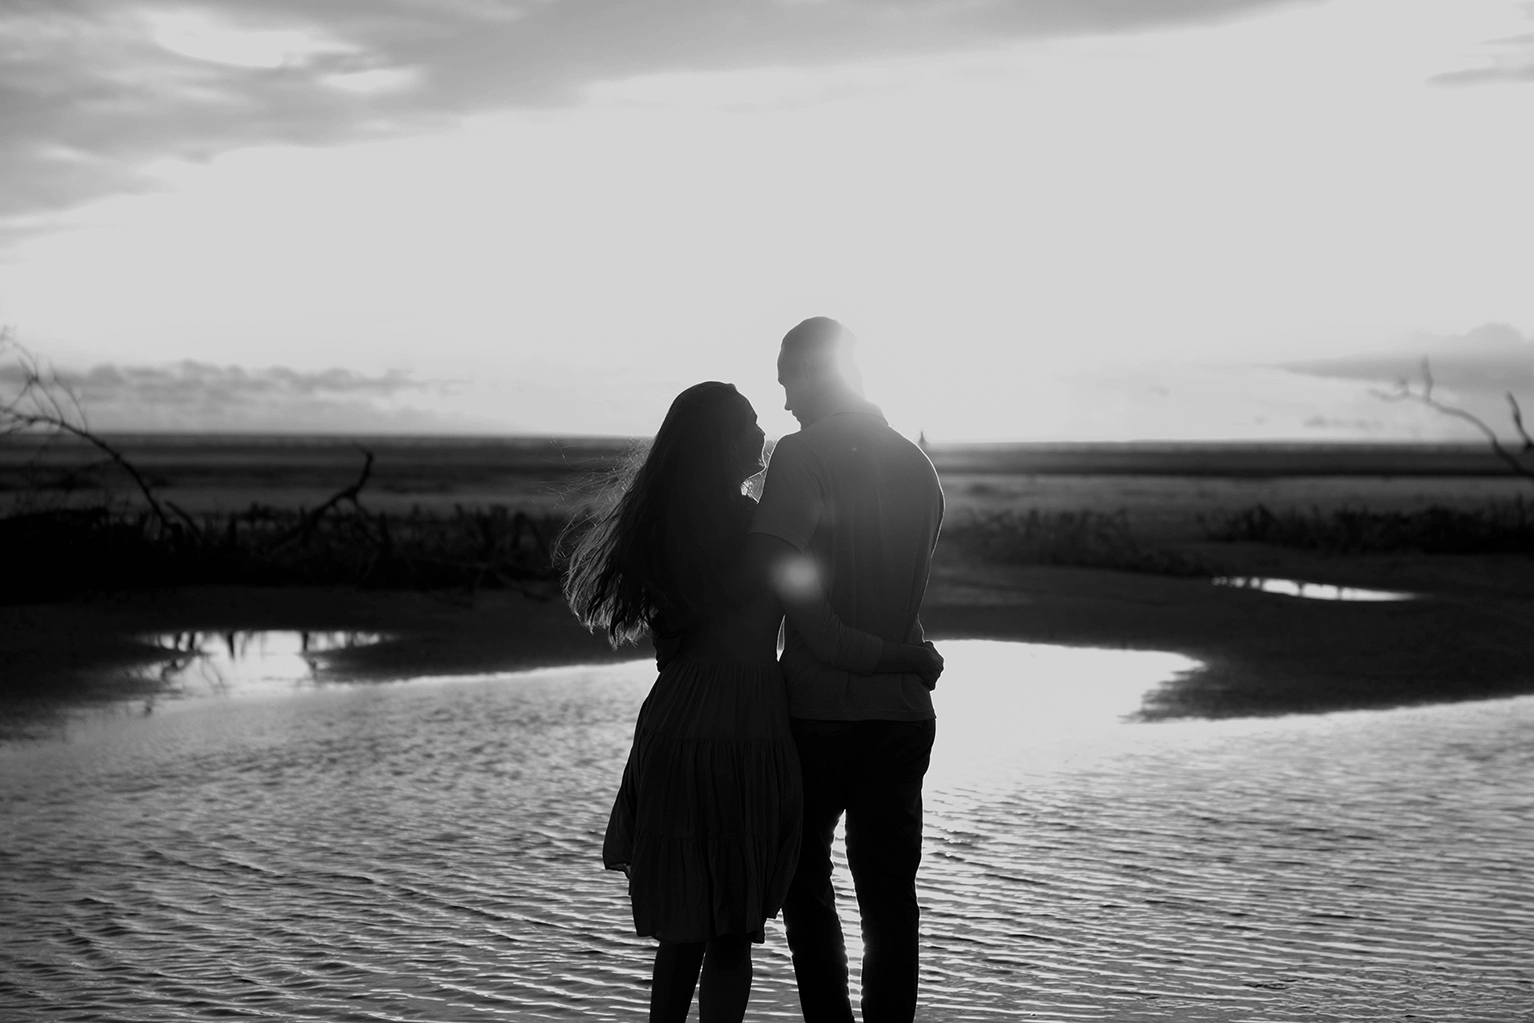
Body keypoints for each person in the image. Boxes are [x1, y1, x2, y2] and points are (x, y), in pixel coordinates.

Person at [564, 381, 942, 1023]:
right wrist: (910, 654)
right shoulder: (762, 535)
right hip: (745, 721)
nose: (763, 432)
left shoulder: (663, 527)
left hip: (677, 713)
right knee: (731, 926)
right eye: (747, 424)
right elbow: (814, 623)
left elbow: (672, 643)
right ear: (720, 443)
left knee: (684, 921)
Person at [746, 318, 945, 1023]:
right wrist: (894, 655)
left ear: (813, 372)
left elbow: (779, 569)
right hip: (900, 712)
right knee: (890, 893)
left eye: (787, 382)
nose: (785, 403)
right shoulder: (917, 465)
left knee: (806, 882)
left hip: (823, 711)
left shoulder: (802, 455)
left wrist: (848, 646)